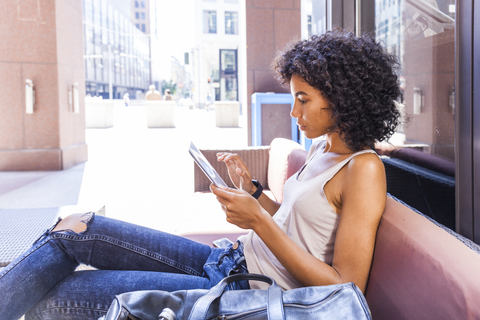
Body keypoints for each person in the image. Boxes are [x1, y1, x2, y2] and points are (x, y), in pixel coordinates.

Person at [0, 30, 400, 320]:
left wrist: (258, 220)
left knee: (55, 297)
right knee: (76, 226)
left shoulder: (363, 169)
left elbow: (343, 288)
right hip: (230, 259)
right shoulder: (323, 146)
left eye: (303, 99)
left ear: (343, 98)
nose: (294, 113)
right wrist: (255, 192)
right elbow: (296, 225)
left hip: (248, 293)